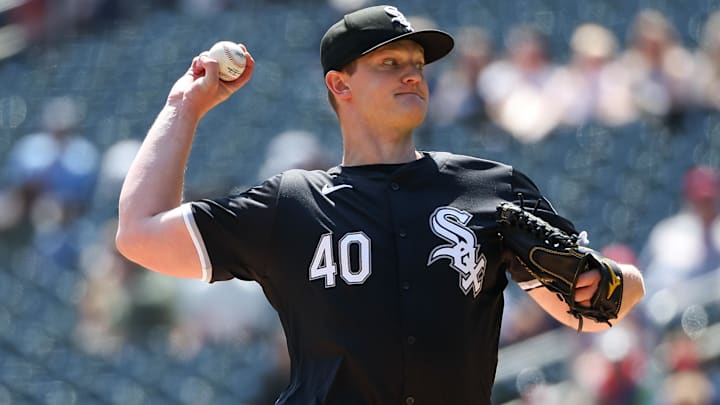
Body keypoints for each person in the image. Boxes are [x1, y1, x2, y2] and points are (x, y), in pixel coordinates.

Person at [115, 5, 645, 404]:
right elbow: (139, 234)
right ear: (339, 85)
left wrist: (609, 281)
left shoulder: (491, 189)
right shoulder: (292, 204)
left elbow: (593, 316)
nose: (412, 72)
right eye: (389, 62)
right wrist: (184, 106)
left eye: (417, 62)